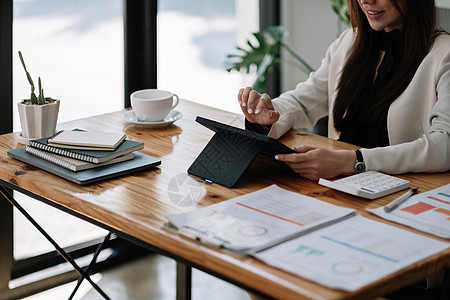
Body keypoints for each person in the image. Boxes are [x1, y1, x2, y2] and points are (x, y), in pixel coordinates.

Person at [237, 0, 450, 181]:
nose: (366, 0)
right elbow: (303, 102)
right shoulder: (349, 42)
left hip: (404, 189)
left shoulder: (444, 54)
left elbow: (444, 145)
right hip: (337, 184)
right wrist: (268, 114)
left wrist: (353, 161)